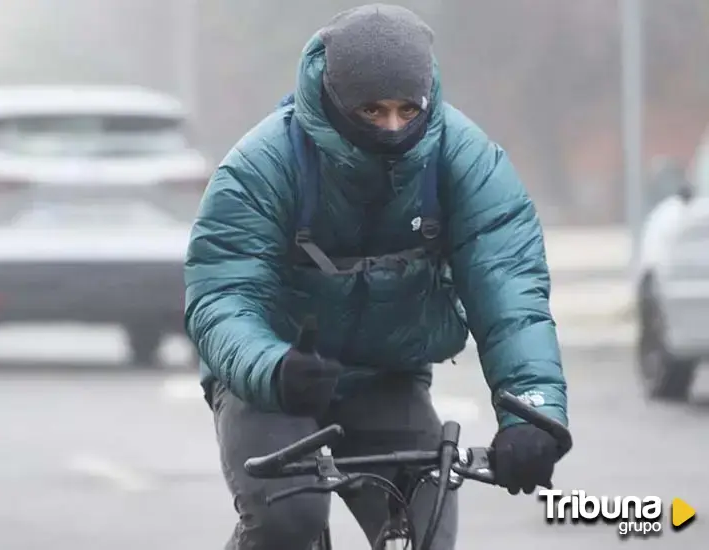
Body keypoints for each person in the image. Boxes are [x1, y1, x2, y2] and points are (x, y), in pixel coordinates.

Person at [184, 4, 570, 550]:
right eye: (371, 111)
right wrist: (274, 368)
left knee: (428, 526)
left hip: (386, 377)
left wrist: (531, 414)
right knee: (287, 522)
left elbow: (512, 292)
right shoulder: (260, 167)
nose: (393, 127)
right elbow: (220, 298)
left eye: (407, 110)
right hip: (273, 384)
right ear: (335, 99)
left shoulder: (467, 161)